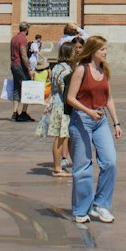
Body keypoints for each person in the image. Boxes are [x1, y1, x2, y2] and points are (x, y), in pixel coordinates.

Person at [65, 35, 122, 225]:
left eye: (106, 49)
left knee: (110, 161)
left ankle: (100, 205)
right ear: (93, 51)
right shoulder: (81, 70)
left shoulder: (104, 70)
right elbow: (71, 98)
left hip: (100, 120)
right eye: (102, 49)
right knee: (83, 167)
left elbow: (109, 98)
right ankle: (81, 210)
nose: (105, 52)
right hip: (82, 119)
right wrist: (88, 111)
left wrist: (116, 123)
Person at [37, 35, 81, 177]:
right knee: (60, 138)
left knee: (61, 136)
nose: (76, 53)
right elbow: (66, 91)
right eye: (74, 51)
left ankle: (61, 165)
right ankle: (57, 168)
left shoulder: (56, 67)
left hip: (54, 103)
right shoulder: (67, 70)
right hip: (62, 106)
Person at [10, 21, 34, 122]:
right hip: (20, 66)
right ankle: (23, 113)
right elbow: (23, 55)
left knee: (17, 88)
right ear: (27, 29)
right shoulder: (23, 39)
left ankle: (14, 113)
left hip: (13, 65)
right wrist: (29, 69)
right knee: (27, 88)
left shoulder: (14, 38)